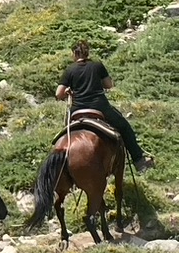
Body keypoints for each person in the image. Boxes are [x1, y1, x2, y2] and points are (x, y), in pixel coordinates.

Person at [56, 41, 155, 172]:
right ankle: (139, 161)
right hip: (99, 107)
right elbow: (109, 85)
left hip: (77, 109)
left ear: (74, 53)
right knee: (124, 127)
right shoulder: (97, 65)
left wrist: (69, 90)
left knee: (65, 134)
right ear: (87, 52)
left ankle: (62, 168)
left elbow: (59, 93)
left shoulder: (70, 70)